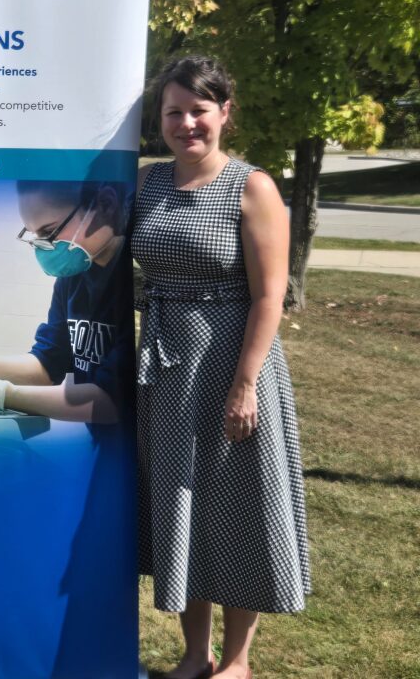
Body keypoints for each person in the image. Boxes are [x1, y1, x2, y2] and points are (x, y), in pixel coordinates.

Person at [132, 55, 310, 679]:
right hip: (168, 367)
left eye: (198, 111)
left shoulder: (251, 186)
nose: (186, 124)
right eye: (173, 112)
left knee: (237, 505)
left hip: (234, 362)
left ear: (224, 113)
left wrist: (245, 384)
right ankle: (193, 654)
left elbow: (270, 295)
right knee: (183, 503)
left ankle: (236, 662)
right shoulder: (150, 182)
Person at [0, 179, 133, 422]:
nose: (42, 247)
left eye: (49, 232)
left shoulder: (135, 281)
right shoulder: (72, 280)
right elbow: (47, 368)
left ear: (106, 204)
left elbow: (114, 401)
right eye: (34, 234)